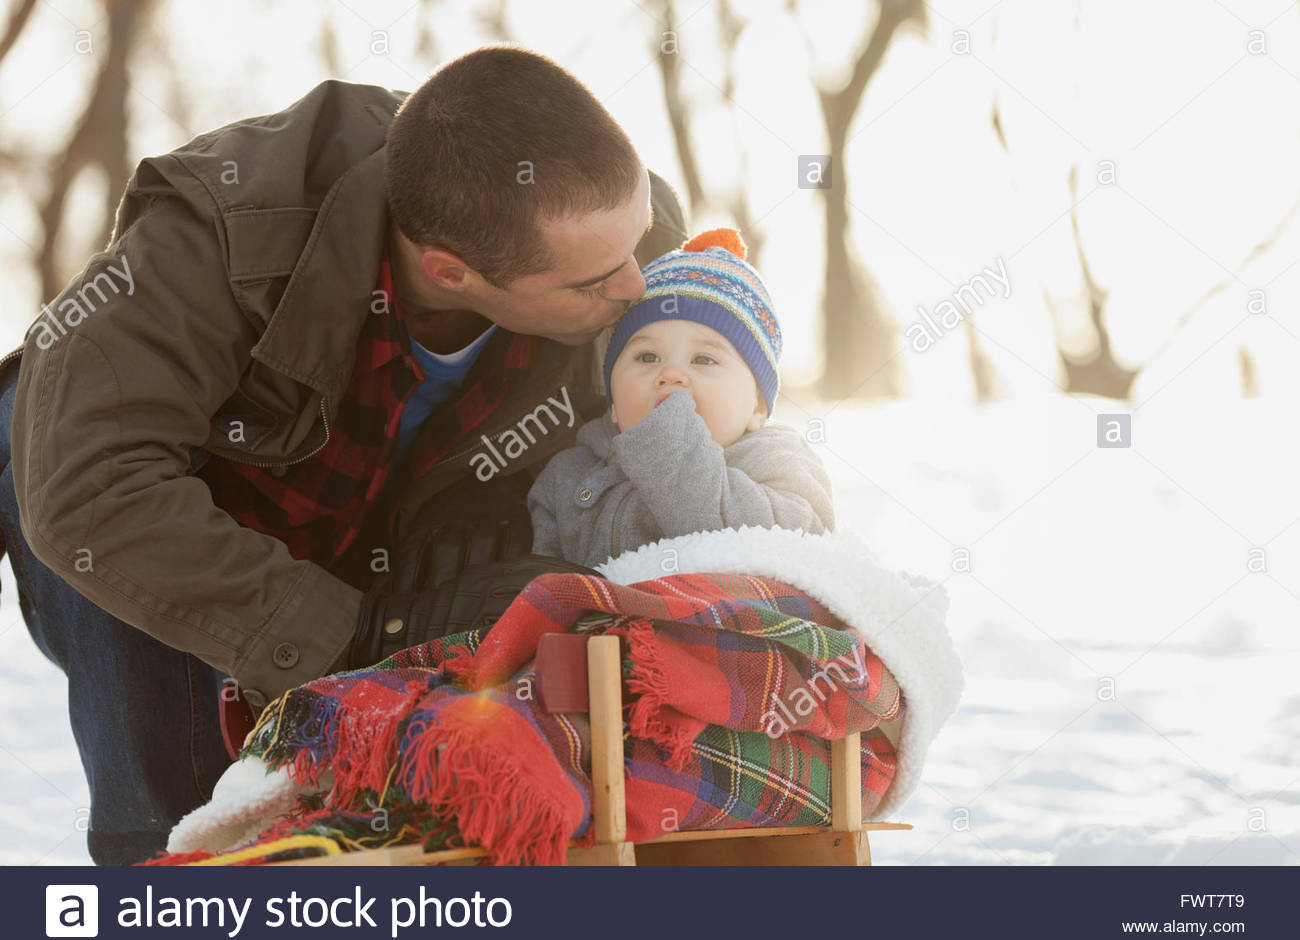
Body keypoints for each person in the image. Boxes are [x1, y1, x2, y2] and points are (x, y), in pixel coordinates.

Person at [0, 45, 687, 865]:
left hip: (377, 498)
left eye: (637, 242)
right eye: (593, 284)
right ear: (451, 272)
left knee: (433, 781)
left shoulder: (618, 235)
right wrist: (366, 632)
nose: (638, 288)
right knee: (189, 805)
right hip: (133, 502)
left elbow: (716, 427)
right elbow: (93, 494)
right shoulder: (219, 239)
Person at [527, 228, 834, 568]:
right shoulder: (569, 472)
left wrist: (672, 449)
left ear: (758, 407)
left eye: (703, 360)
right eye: (647, 357)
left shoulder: (781, 464)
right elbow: (541, 586)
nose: (671, 374)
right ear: (613, 403)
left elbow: (786, 555)